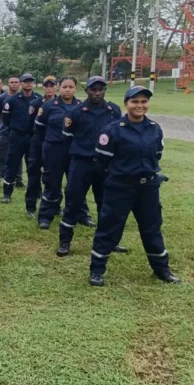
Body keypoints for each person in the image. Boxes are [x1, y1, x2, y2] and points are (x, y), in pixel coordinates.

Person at [89, 86, 180, 286]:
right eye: (135, 101)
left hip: (147, 189)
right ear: (126, 104)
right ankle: (97, 270)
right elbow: (102, 162)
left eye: (143, 102)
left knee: (152, 229)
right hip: (120, 188)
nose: (139, 106)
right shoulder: (113, 130)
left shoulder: (154, 128)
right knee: (109, 228)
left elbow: (157, 154)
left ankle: (162, 269)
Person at [57, 76, 126, 257]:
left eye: (100, 89)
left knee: (106, 204)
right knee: (73, 203)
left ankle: (110, 242)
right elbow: (66, 140)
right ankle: (65, 241)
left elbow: (119, 137)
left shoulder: (113, 111)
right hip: (81, 164)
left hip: (104, 166)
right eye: (93, 89)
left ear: (104, 90)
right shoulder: (76, 112)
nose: (97, 93)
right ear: (86, 90)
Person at [33, 77, 91, 229]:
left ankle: (82, 214)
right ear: (59, 88)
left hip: (74, 150)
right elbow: (39, 130)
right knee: (52, 183)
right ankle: (46, 216)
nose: (68, 89)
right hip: (54, 149)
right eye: (65, 86)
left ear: (75, 88)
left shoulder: (81, 107)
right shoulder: (48, 106)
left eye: (71, 87)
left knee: (77, 184)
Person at [1, 73, 41, 211]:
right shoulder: (12, 100)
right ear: (21, 84)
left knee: (34, 166)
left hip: (33, 137)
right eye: (25, 81)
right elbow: (5, 119)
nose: (28, 84)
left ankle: (36, 192)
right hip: (17, 136)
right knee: (12, 164)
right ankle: (7, 193)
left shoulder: (38, 99)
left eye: (30, 81)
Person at [24, 76, 57, 216]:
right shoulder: (36, 103)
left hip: (54, 144)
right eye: (46, 85)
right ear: (43, 87)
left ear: (56, 86)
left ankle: (55, 205)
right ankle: (31, 207)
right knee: (34, 175)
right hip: (38, 142)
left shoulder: (60, 103)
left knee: (54, 176)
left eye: (52, 85)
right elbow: (30, 124)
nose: (49, 88)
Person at [0, 77, 24, 188]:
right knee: (1, 157)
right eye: (12, 82)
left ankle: (19, 180)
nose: (14, 84)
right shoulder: (2, 98)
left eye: (16, 82)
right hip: (4, 132)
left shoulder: (23, 97)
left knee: (18, 158)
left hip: (19, 132)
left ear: (20, 84)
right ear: (8, 84)